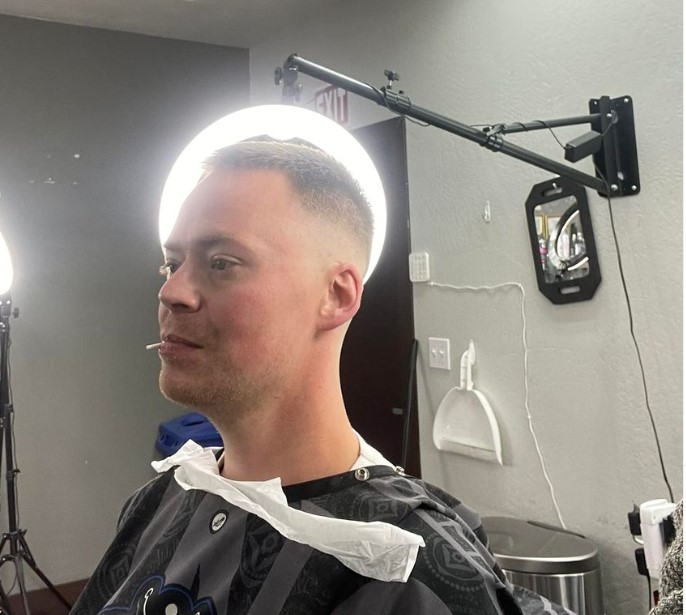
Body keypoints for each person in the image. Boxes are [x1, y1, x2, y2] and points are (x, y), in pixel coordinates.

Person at [71, 139, 572, 615]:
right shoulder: (154, 504)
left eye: (221, 262)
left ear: (336, 295)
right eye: (171, 264)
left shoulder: (404, 572)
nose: (172, 292)